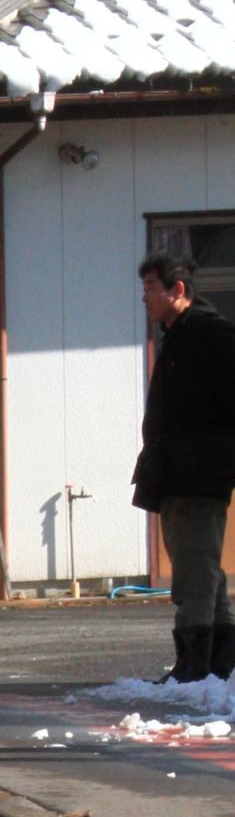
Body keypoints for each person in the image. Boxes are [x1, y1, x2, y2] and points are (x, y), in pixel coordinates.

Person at [132, 252, 235, 683]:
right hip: (176, 471)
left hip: (199, 472)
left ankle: (193, 669)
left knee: (194, 571)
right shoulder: (178, 334)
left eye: (151, 288)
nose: (144, 298)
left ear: (177, 290)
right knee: (203, 569)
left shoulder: (211, 334)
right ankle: (220, 662)